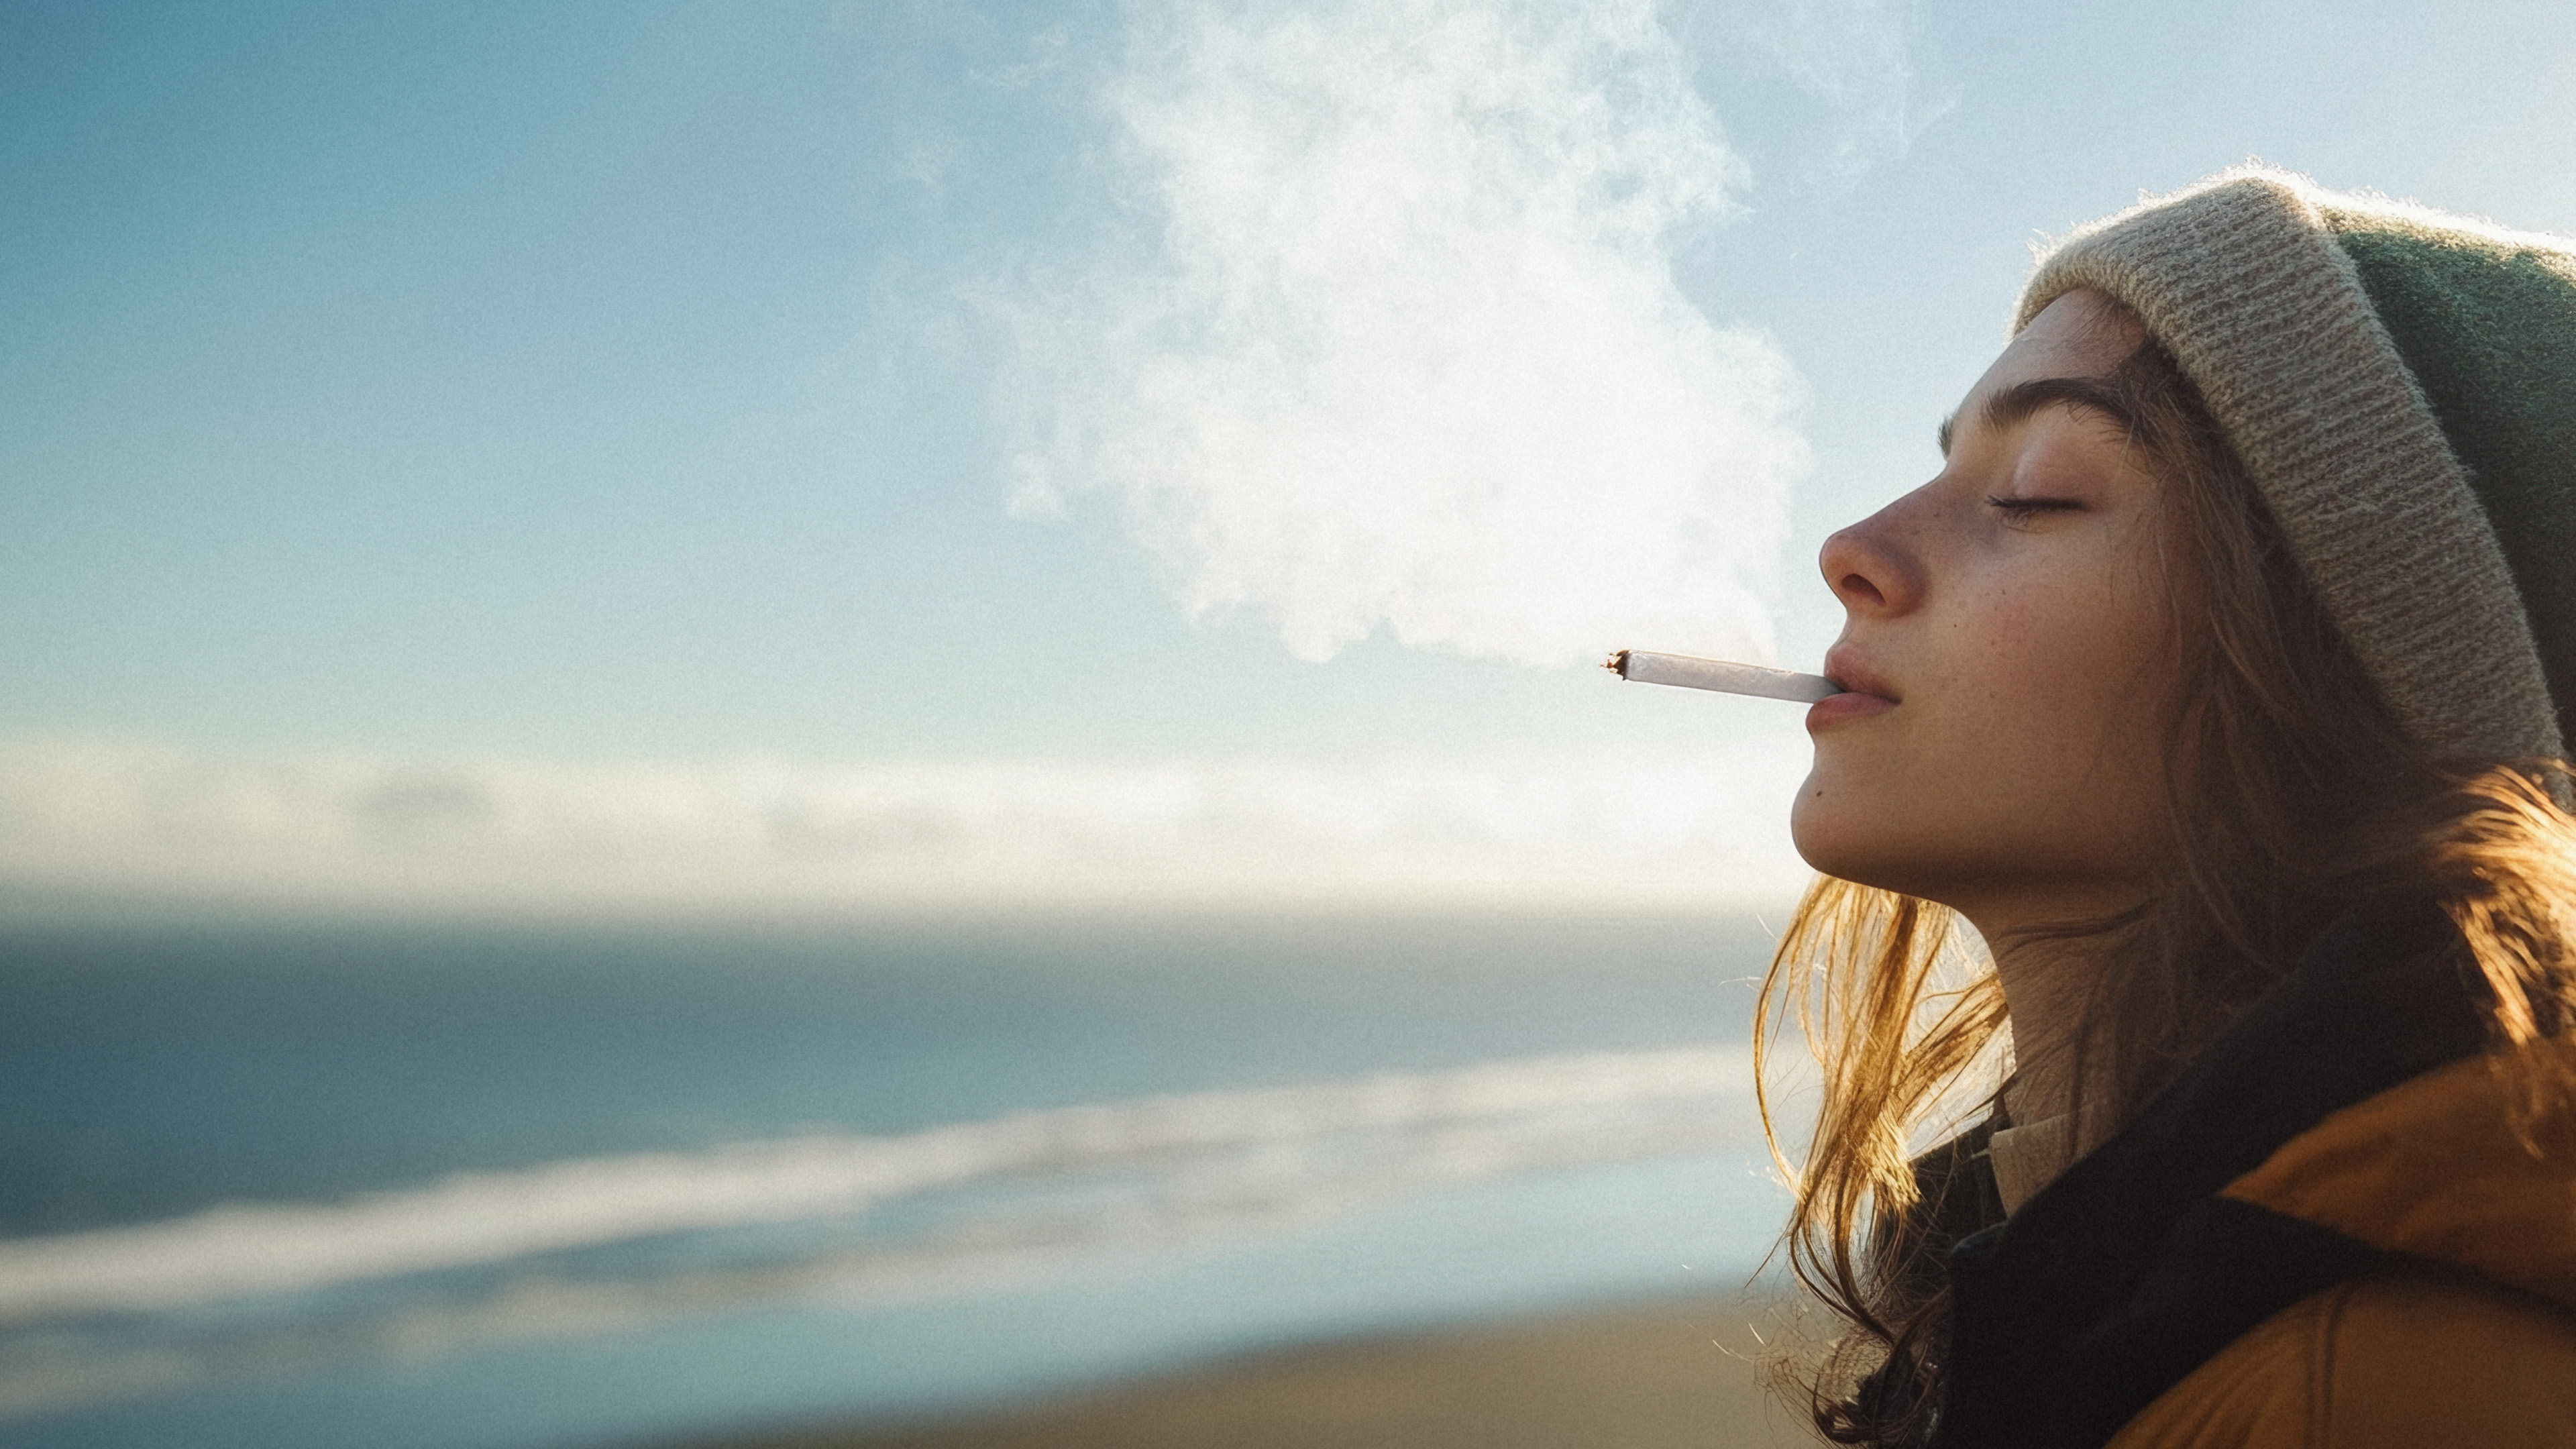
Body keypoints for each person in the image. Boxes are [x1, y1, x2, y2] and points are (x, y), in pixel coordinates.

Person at [1756, 163, 2576, 1448]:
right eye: (1943, 466)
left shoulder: (2378, 1396)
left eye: (2035, 490)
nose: (1851, 548)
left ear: (2352, 664)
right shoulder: (2060, 1273)